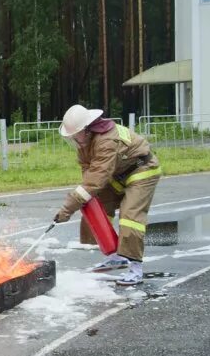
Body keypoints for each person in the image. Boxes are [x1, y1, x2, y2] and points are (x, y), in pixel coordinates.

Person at [53, 104, 162, 286]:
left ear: (87, 130)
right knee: (98, 209)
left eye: (75, 135)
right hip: (116, 175)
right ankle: (115, 256)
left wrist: (67, 208)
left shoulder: (106, 141)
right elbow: (89, 177)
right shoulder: (84, 144)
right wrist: (83, 199)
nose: (73, 139)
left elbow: (96, 179)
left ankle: (135, 268)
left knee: (130, 217)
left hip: (141, 169)